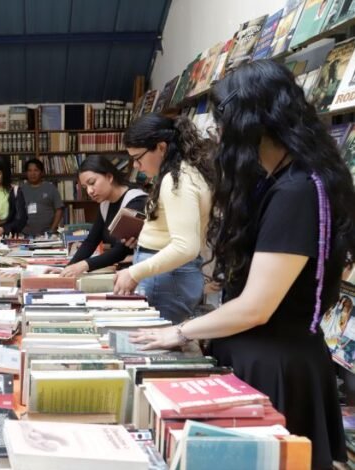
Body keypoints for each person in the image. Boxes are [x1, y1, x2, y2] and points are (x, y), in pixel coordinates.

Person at [131, 60, 355, 468]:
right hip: (261, 356)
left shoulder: (296, 191)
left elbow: (256, 307)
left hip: (275, 368)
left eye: (222, 123)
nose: (218, 134)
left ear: (250, 122)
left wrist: (178, 331)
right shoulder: (279, 181)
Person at [113, 113, 215, 323]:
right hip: (167, 275)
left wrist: (134, 273)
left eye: (138, 158)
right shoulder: (183, 173)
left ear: (161, 147)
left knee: (157, 337)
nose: (136, 166)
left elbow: (185, 247)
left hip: (168, 278)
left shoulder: (177, 181)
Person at [60, 156, 147, 277]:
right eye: (85, 187)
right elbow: (91, 242)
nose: (89, 191)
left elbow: (121, 250)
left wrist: (83, 265)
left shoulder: (135, 200)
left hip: (140, 272)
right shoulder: (105, 204)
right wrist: (67, 269)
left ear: (109, 177)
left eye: (92, 183)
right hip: (123, 272)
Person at [20, 158, 64, 237]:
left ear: (41, 172)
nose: (32, 173)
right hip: (25, 235)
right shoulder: (21, 190)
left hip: (47, 235)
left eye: (36, 170)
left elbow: (59, 210)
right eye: (29, 170)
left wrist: (52, 229)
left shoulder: (51, 188)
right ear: (26, 173)